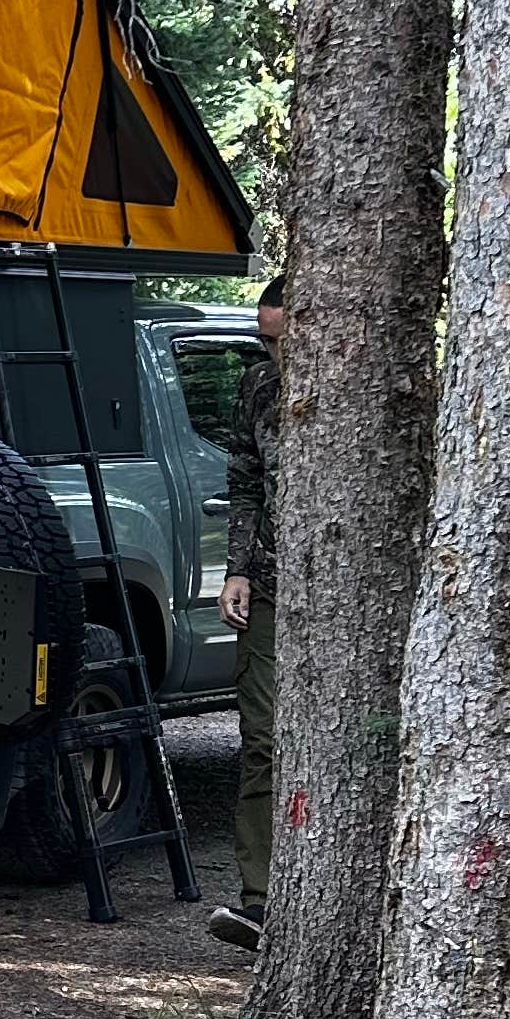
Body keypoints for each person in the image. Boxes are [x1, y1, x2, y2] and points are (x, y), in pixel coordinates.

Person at [209, 275, 288, 952]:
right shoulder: (260, 386)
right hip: (268, 587)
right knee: (261, 739)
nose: (275, 353)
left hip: (347, 595)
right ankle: (258, 901)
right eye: (266, 341)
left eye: (284, 340)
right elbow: (242, 477)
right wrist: (237, 567)